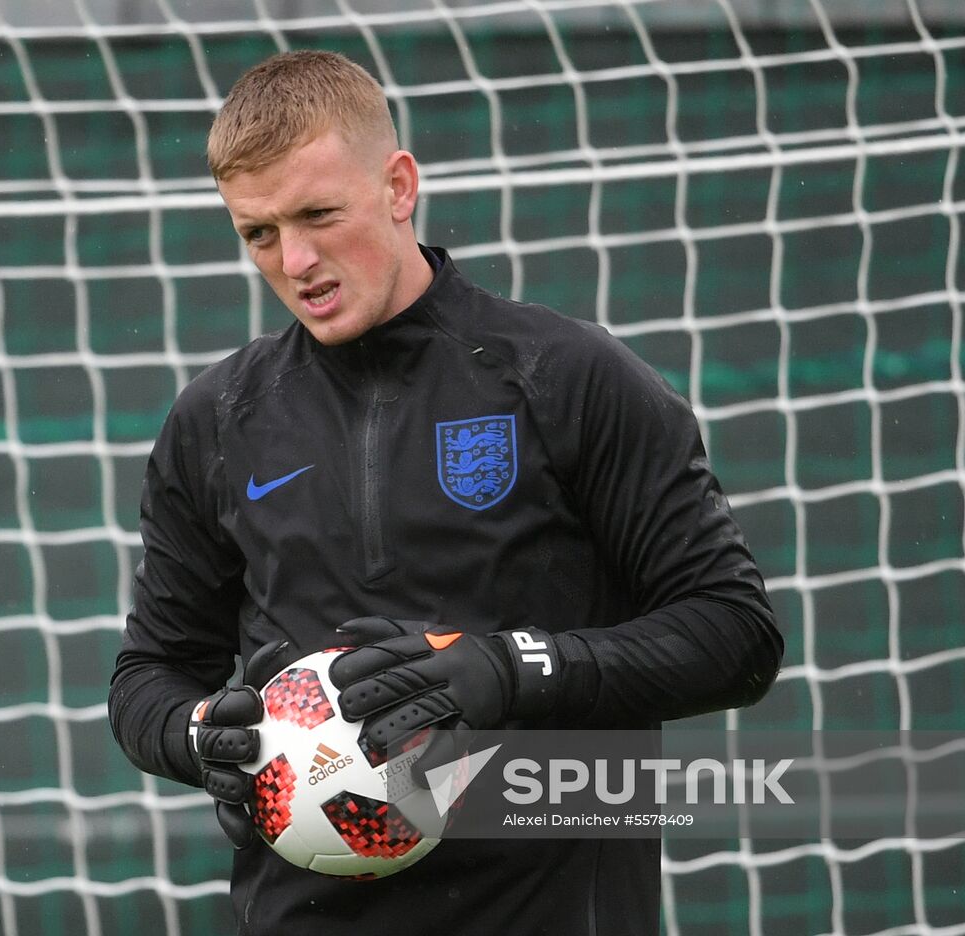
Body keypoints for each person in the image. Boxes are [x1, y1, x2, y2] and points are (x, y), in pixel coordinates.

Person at [109, 49, 783, 935]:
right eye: (258, 233)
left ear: (398, 185)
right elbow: (147, 677)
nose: (295, 259)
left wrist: (511, 670)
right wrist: (201, 738)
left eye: (318, 214)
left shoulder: (567, 378)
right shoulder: (216, 421)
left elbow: (734, 634)